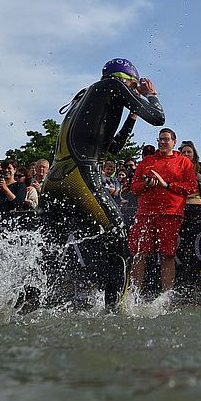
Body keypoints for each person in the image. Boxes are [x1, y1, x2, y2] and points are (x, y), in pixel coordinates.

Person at [41, 58, 166, 309]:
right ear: (127, 80)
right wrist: (151, 96)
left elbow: (114, 148)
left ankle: (25, 303)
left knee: (48, 250)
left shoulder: (89, 95)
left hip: (54, 181)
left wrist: (130, 118)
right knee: (120, 242)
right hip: (79, 176)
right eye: (134, 83)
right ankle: (115, 313)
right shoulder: (113, 85)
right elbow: (157, 117)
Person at [128, 128, 197, 296]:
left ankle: (166, 295)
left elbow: (192, 187)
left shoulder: (183, 162)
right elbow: (133, 187)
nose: (162, 142)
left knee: (167, 254)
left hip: (170, 213)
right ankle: (134, 294)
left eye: (166, 139)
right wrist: (147, 184)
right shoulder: (146, 161)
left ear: (174, 142)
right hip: (145, 213)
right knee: (138, 253)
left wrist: (166, 185)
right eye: (160, 139)